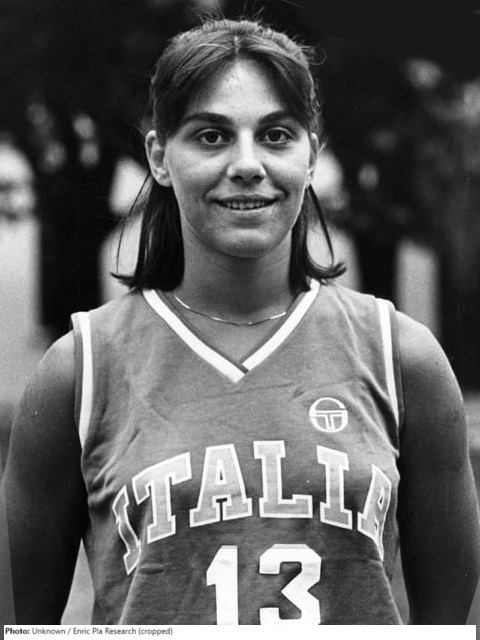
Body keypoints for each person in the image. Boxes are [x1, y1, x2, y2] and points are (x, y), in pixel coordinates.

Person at [3, 17, 480, 625]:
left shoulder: (403, 358)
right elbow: (20, 626)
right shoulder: (79, 370)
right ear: (159, 157)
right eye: (211, 136)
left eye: (276, 135)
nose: (248, 163)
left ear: (312, 155)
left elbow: (449, 626)